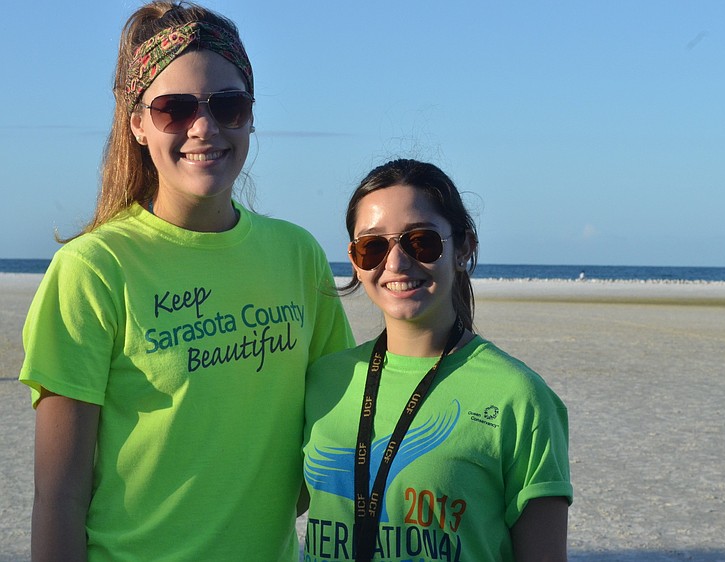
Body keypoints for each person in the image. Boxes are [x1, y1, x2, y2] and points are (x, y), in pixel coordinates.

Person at [19, 2, 352, 560]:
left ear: (250, 115)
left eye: (229, 105)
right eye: (174, 109)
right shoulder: (93, 268)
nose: (205, 127)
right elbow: (59, 497)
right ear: (138, 125)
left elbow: (331, 438)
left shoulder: (297, 255)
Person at [302, 159, 572, 561]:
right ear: (355, 262)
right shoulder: (324, 380)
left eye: (420, 241)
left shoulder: (520, 397)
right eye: (372, 246)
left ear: (463, 248)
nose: (394, 263)